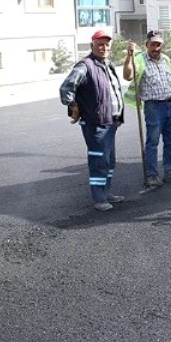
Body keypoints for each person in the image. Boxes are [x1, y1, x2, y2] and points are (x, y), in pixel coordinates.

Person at [59, 30, 126, 211]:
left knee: (109, 160)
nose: (103, 48)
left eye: (106, 45)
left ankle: (105, 192)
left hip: (110, 121)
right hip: (95, 123)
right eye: (100, 45)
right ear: (92, 46)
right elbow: (67, 87)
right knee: (99, 160)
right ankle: (99, 199)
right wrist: (73, 106)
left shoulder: (107, 64)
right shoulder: (85, 66)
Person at [123, 30, 171, 187]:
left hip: (170, 106)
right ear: (146, 45)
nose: (156, 47)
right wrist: (129, 57)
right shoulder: (139, 60)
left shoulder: (167, 60)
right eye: (153, 44)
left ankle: (170, 172)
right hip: (153, 107)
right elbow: (128, 76)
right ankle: (152, 175)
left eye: (158, 44)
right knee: (153, 142)